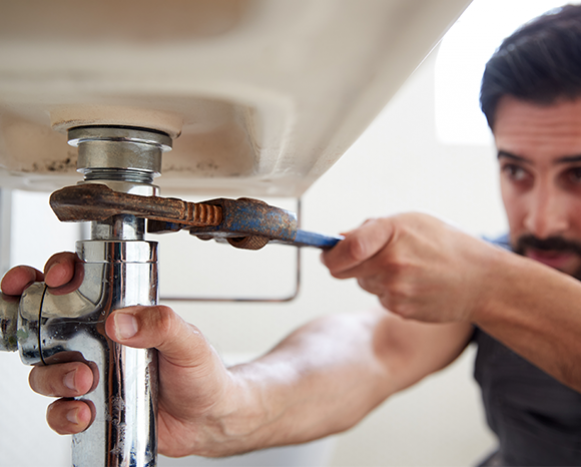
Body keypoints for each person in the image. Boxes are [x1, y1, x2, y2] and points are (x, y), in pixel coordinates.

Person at [3, 4, 581, 466]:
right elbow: (373, 350)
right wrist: (233, 402)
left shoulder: (489, 275)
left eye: (577, 175)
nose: (544, 217)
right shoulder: (499, 267)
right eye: (517, 171)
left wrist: (488, 282)